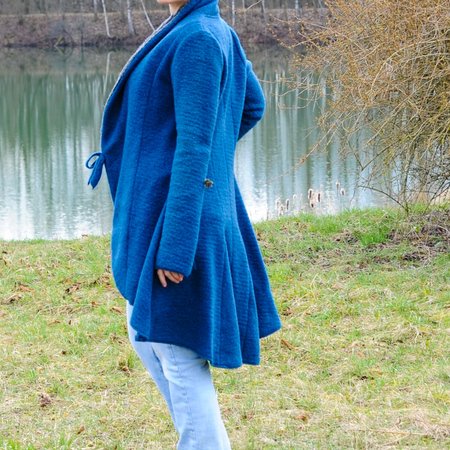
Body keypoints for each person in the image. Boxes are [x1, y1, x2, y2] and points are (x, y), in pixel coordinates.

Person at [84, 0, 282, 447]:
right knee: (144, 332)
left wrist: (176, 246)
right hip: (165, 206)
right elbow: (251, 105)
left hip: (178, 217)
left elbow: (196, 145)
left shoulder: (198, 39)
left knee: (175, 351)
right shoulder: (201, 27)